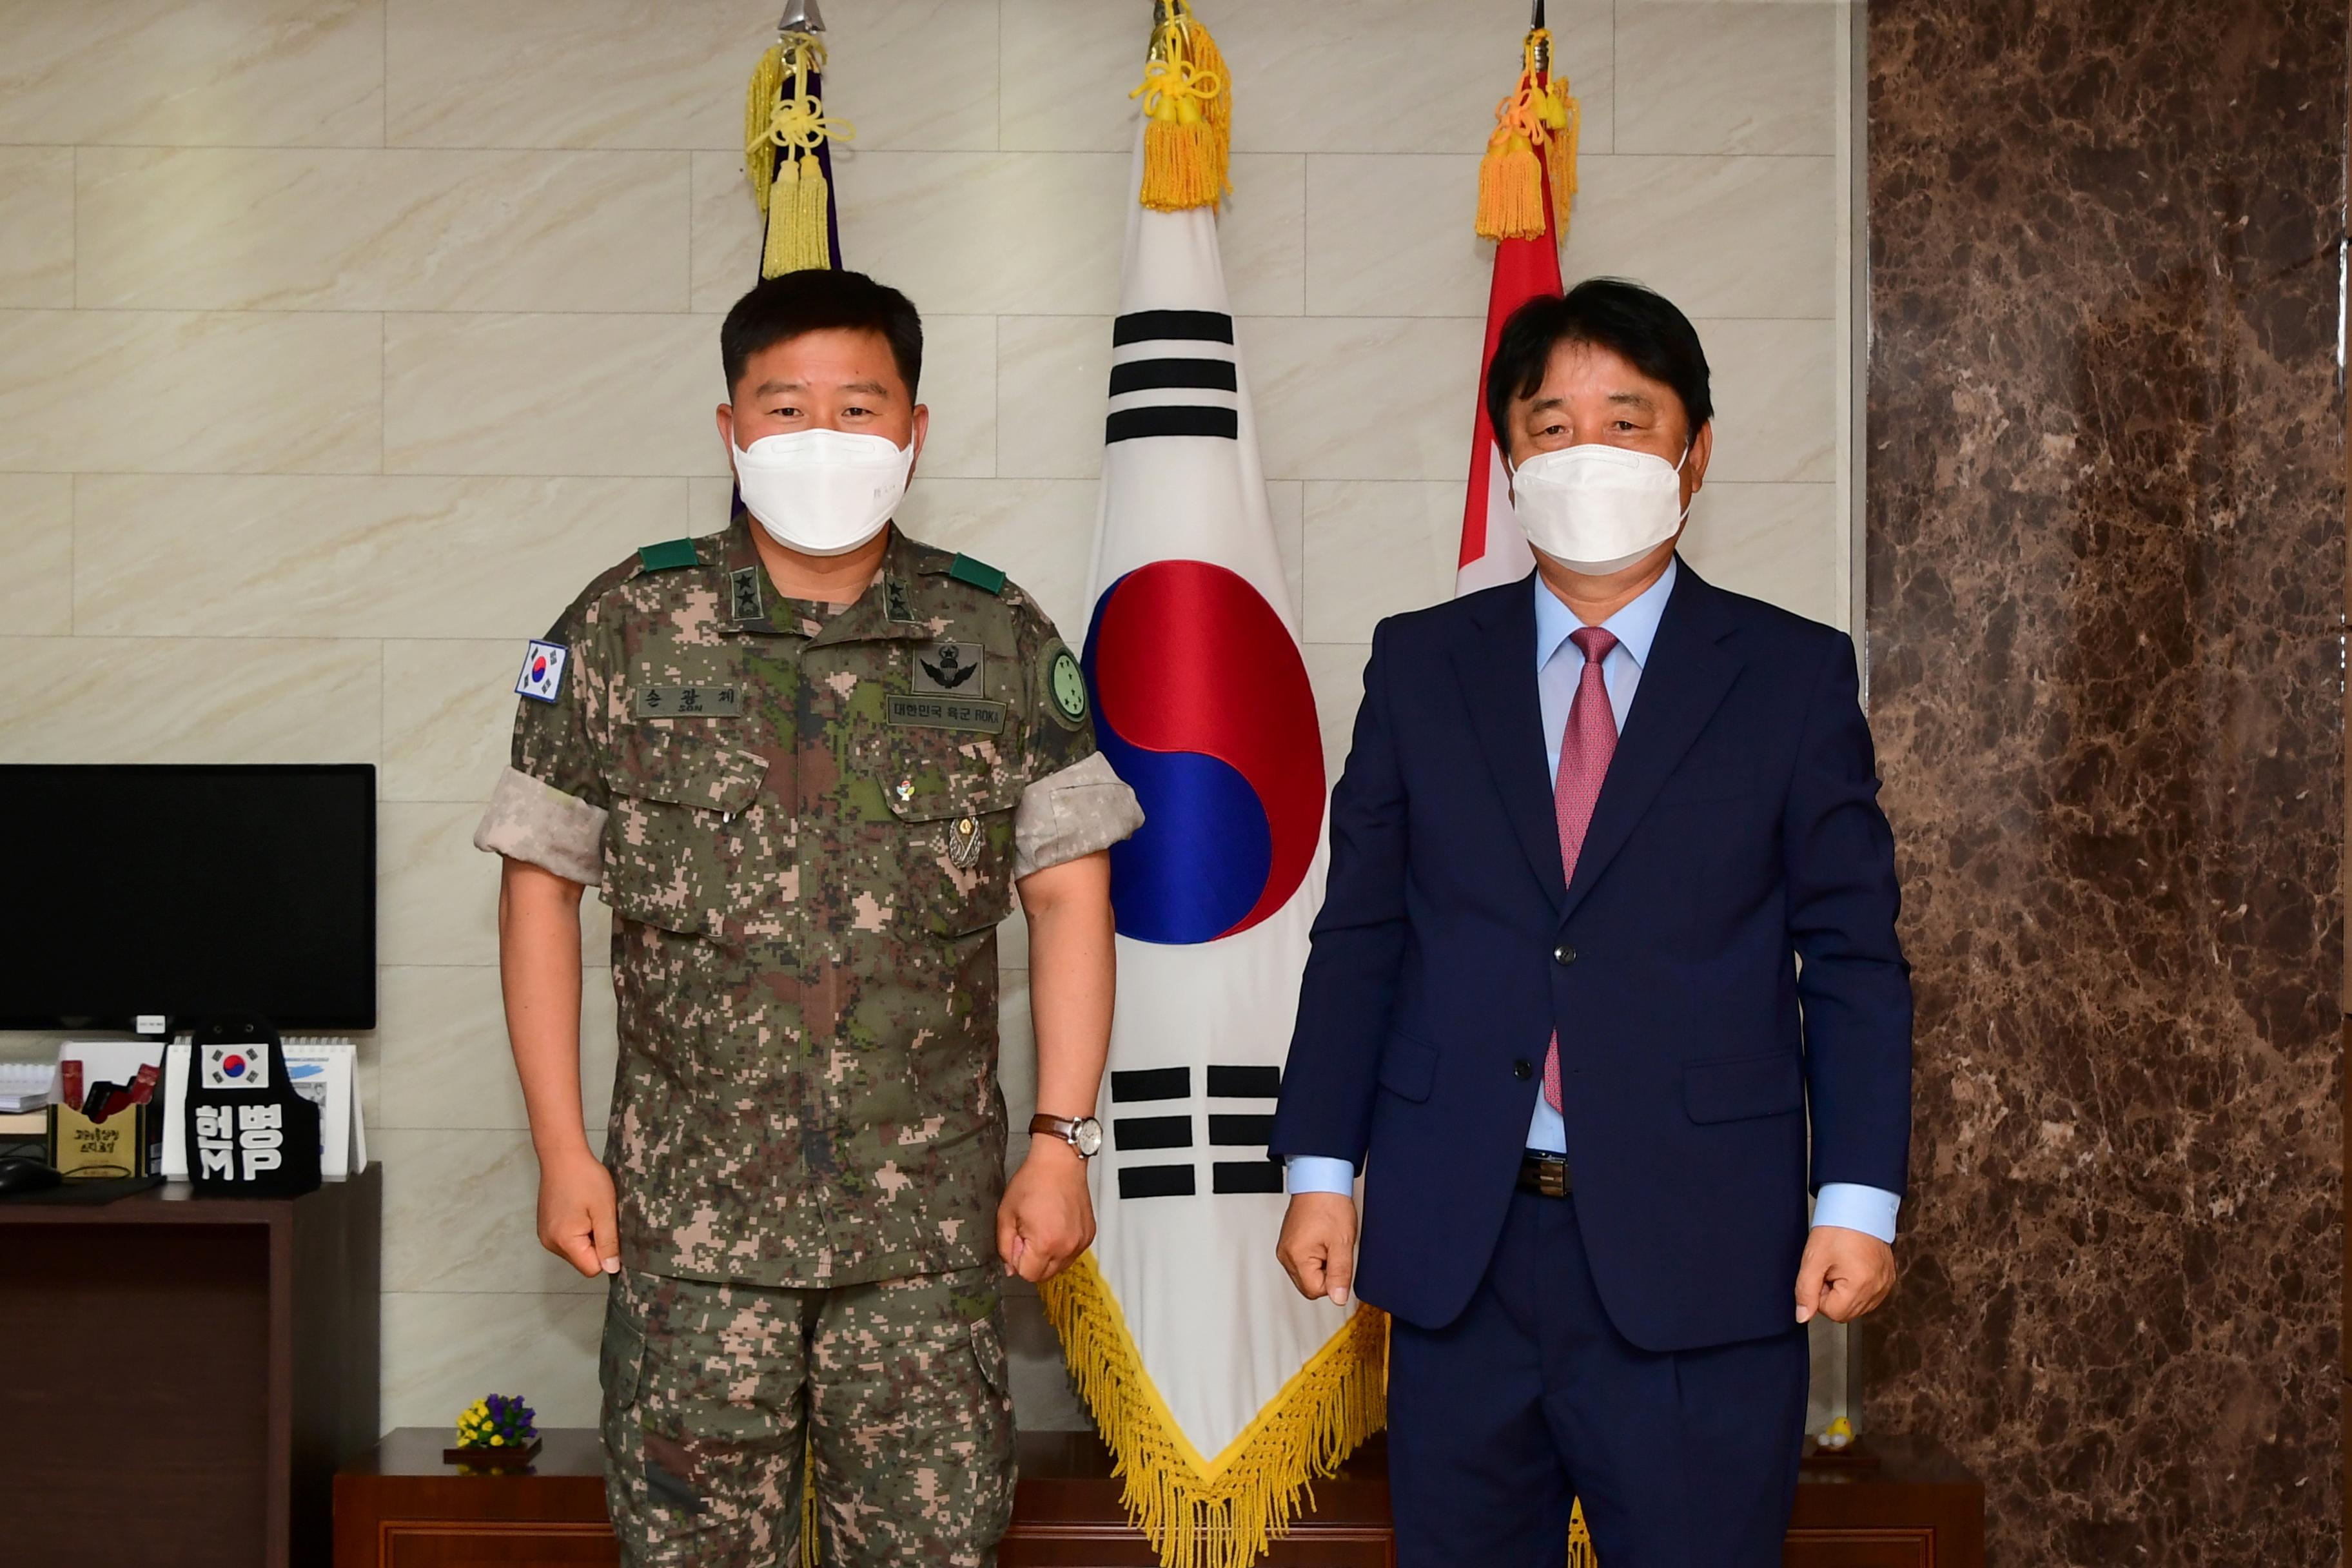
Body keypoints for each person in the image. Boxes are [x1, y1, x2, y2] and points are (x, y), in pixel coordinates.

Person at [473, 268, 1140, 1566]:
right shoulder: (625, 626)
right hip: (690, 1236)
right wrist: (561, 1148)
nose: (821, 437)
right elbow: (539, 887)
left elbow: (1070, 896)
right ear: (729, 428)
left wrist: (1062, 1141)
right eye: (785, 408)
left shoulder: (997, 634)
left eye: (857, 407)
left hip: (925, 1242)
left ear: (914, 429)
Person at [1269, 278, 1912, 1565]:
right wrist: (1321, 1169)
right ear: (1509, 458)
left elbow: (1851, 956)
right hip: (1463, 1245)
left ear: (1695, 451)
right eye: (1552, 426)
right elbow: (1362, 936)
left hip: (1704, 1250)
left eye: (1627, 421)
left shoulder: (1790, 675)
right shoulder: (1420, 664)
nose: (1587, 454)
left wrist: (1858, 1197)